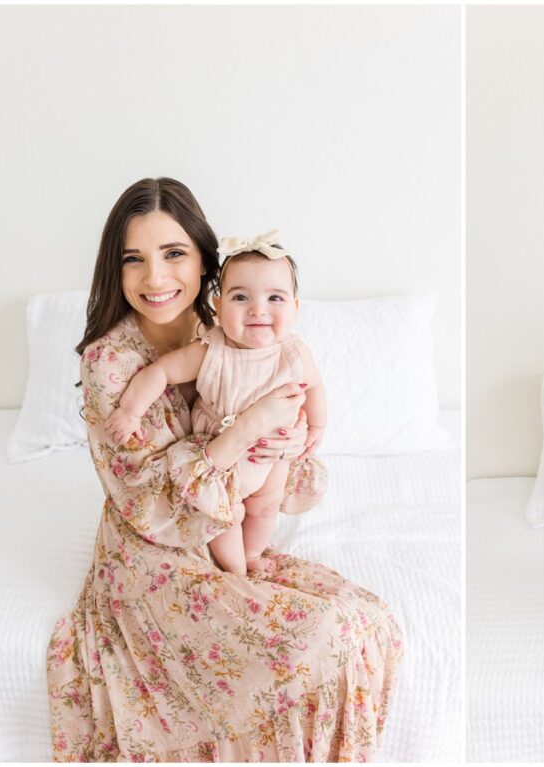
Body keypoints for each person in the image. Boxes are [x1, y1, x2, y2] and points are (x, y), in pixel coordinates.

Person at [46, 177, 402, 761]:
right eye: (133, 260)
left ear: (207, 265)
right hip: (155, 552)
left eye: (174, 254)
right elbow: (148, 503)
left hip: (228, 525)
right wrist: (244, 430)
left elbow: (298, 424)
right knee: (314, 640)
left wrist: (285, 440)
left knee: (367, 621)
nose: (155, 279)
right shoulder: (109, 364)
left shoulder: (228, 330)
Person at [103, 229, 326, 576]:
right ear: (218, 306)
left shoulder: (293, 354)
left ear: (295, 308)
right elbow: (160, 371)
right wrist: (130, 411)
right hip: (220, 458)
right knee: (226, 514)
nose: (257, 310)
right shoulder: (211, 351)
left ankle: (251, 555)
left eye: (275, 299)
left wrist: (316, 426)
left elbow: (314, 386)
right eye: (240, 298)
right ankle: (235, 569)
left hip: (270, 457)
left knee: (265, 507)